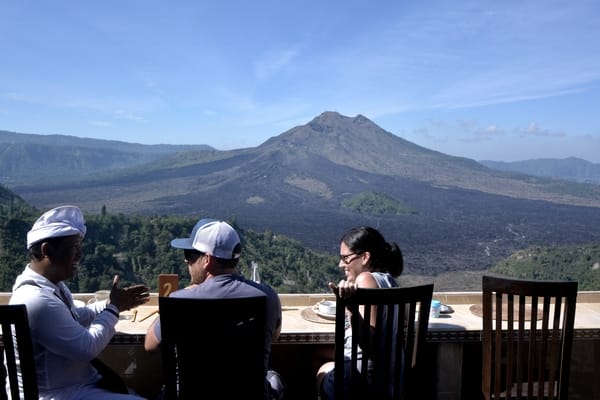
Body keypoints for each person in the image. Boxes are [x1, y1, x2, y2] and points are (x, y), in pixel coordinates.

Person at [8, 205, 150, 400]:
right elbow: (86, 348)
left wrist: (112, 303)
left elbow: (74, 316)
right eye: (73, 248)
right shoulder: (37, 300)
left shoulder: (51, 287)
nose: (79, 255)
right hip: (56, 395)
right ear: (47, 250)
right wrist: (114, 309)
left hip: (75, 386)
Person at [144, 218, 284, 400]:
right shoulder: (268, 296)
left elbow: (150, 345)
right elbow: (274, 336)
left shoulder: (180, 301)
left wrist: (181, 294)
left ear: (207, 260)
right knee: (274, 378)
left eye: (189, 255)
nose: (187, 261)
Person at [316, 226, 403, 399]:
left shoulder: (365, 279)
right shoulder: (390, 282)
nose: (341, 264)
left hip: (362, 383)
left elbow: (370, 344)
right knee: (321, 356)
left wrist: (350, 307)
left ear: (365, 257)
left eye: (345, 258)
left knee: (318, 367)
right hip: (392, 383)